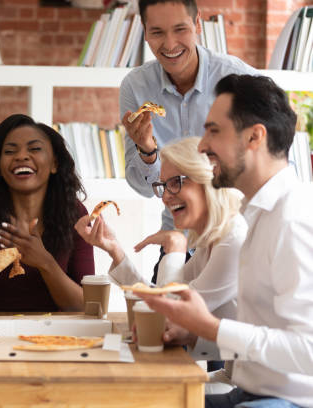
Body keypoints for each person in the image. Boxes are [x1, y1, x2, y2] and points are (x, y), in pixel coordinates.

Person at [138, 74, 313, 407]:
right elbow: (263, 342)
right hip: (250, 392)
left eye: (214, 131)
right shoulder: (257, 215)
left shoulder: (293, 218)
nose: (202, 145)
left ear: (254, 137)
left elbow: (308, 352)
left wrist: (211, 327)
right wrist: (198, 332)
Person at [76, 137, 245, 392]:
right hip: (231, 377)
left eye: (176, 182)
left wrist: (176, 248)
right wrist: (116, 251)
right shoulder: (210, 240)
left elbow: (170, 317)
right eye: (163, 185)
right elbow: (159, 303)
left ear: (209, 179)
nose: (166, 196)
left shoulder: (233, 240)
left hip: (253, 389)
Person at [120, 0, 257, 280]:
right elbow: (144, 188)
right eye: (157, 32)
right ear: (145, 33)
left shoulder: (238, 78)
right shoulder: (136, 86)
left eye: (180, 29)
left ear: (197, 26)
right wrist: (147, 151)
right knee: (162, 318)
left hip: (230, 232)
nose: (169, 44)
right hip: (178, 234)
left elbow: (271, 156)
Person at [0, 114, 95, 312]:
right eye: (10, 151)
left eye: (35, 149)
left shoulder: (75, 213)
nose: (21, 156)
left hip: (59, 334)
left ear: (55, 164)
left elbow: (84, 305)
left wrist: (44, 262)